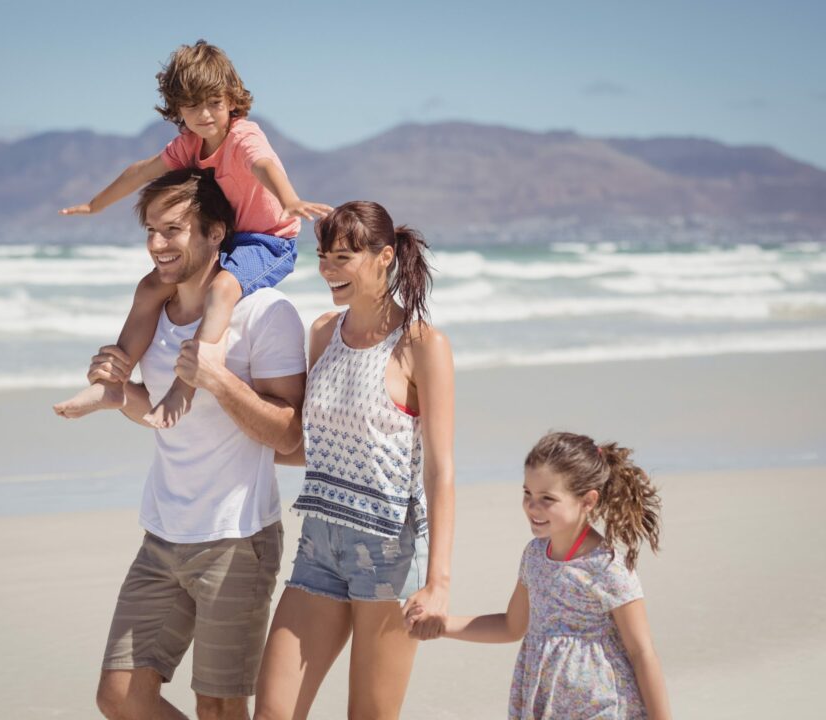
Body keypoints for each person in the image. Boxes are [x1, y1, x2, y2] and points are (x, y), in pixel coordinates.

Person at [86, 168, 306, 720]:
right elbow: (165, 416)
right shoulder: (156, 312)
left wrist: (218, 378)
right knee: (119, 696)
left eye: (173, 230)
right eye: (152, 230)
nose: (157, 244)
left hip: (236, 538)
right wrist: (119, 395)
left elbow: (288, 433)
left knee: (219, 707)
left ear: (215, 234)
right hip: (162, 533)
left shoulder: (265, 312)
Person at [53, 39, 329, 428]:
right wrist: (96, 205)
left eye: (214, 102)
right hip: (226, 236)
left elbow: (264, 165)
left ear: (232, 99)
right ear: (177, 107)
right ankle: (112, 382)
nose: (204, 114)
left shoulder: (243, 136)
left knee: (221, 289)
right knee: (151, 286)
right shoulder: (189, 144)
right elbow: (141, 171)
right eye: (192, 104)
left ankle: (185, 386)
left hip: (267, 241)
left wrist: (290, 198)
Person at [253, 201, 456, 720]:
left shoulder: (421, 345)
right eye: (322, 255)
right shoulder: (323, 331)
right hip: (318, 544)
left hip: (389, 554)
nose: (327, 269)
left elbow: (440, 470)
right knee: (272, 713)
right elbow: (306, 444)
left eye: (342, 256)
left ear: (384, 256)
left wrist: (438, 583)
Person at [422, 431, 671, 720]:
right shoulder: (535, 557)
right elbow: (511, 626)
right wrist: (441, 625)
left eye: (547, 498)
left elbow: (642, 652)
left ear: (588, 501)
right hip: (545, 704)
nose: (532, 506)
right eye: (527, 493)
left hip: (601, 705)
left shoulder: (606, 567)